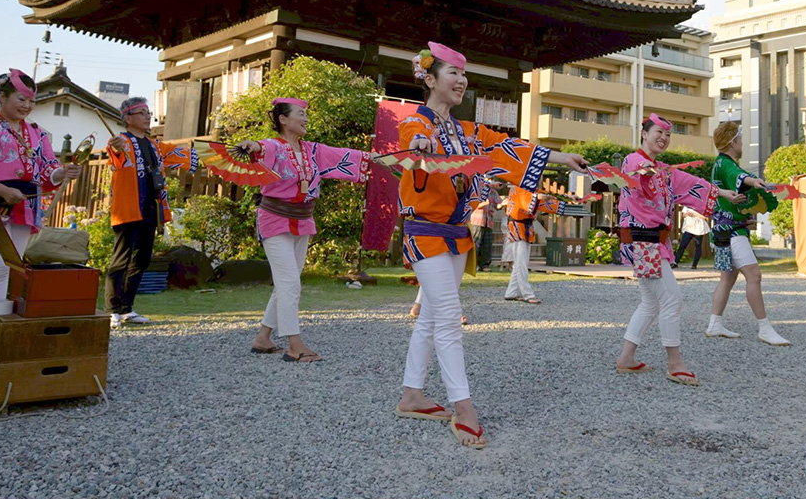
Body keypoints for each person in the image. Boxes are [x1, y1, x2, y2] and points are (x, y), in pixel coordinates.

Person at [396, 43, 587, 448]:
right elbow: (413, 137)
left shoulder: (466, 132)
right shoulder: (418, 124)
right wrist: (421, 147)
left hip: (455, 233)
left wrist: (560, 156)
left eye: (464, 75)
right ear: (430, 79)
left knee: (432, 317)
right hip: (425, 232)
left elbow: (509, 147)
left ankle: (412, 394)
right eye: (453, 74)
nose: (462, 81)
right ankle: (463, 408)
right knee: (448, 318)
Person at [238, 98, 372, 362]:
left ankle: (263, 338)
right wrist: (251, 145)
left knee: (287, 283)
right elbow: (259, 149)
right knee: (289, 283)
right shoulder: (273, 147)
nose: (306, 118)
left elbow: (346, 156)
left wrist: (377, 158)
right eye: (301, 114)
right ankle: (294, 344)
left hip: (302, 220)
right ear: (283, 120)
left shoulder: (313, 150)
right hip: (274, 219)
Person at [614, 113, 743, 385]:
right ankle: (675, 364)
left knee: (651, 303)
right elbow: (638, 172)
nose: (663, 138)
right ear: (644, 134)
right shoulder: (633, 161)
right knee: (672, 299)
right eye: (658, 132)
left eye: (668, 134)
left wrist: (722, 193)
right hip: (643, 241)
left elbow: (687, 182)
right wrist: (657, 171)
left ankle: (627, 358)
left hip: (650, 242)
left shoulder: (661, 169)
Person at [0, 70, 82, 345]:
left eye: (31, 101)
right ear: (2, 97)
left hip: (26, 205)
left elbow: (49, 170)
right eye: (20, 99)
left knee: (9, 267)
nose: (26, 106)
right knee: (0, 267)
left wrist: (63, 173)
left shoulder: (37, 133)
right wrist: (3, 190)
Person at [105, 97, 200, 329]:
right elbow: (116, 158)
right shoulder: (121, 142)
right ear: (128, 118)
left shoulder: (154, 145)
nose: (149, 116)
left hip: (150, 207)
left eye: (149, 112)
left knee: (142, 259)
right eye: (142, 112)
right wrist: (114, 147)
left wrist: (211, 155)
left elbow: (182, 154)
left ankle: (126, 309)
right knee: (121, 258)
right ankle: (111, 311)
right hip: (128, 209)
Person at [704, 121, 789, 346]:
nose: (743, 143)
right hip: (731, 232)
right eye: (740, 139)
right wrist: (754, 181)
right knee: (754, 276)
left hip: (726, 230)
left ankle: (715, 323)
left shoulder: (722, 163)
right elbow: (741, 178)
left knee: (728, 278)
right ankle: (764, 328)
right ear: (733, 142)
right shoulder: (725, 163)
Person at [503, 185, 561, 304]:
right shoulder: (518, 186)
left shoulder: (531, 188)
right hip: (517, 225)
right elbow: (526, 199)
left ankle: (512, 292)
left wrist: (571, 198)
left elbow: (546, 197)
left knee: (521, 261)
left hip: (525, 226)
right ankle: (527, 293)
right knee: (521, 262)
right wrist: (536, 197)